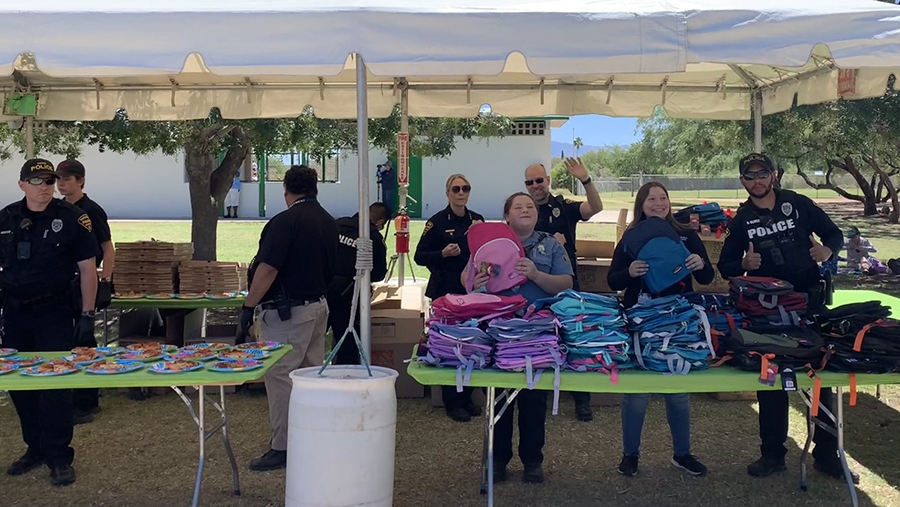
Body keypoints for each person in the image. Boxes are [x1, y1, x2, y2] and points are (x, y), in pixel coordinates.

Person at [717, 153, 857, 483]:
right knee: (771, 380)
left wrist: (827, 252)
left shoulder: (798, 204)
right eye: (749, 176)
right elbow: (726, 266)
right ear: (742, 181)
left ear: (774, 175)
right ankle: (772, 454)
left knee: (822, 377)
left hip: (810, 305)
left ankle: (827, 454)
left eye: (762, 173)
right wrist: (744, 265)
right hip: (768, 313)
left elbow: (834, 235)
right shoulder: (742, 220)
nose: (757, 181)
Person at [0, 158, 100, 486]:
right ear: (22, 185)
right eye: (37, 181)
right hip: (15, 313)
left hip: (55, 312)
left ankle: (58, 455)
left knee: (55, 386)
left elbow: (87, 268)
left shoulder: (70, 218)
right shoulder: (6, 218)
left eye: (49, 180)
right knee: (19, 384)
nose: (45, 186)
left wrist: (87, 315)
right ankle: (36, 447)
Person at [465, 192, 574, 484]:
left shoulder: (549, 245)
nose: (526, 210)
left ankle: (532, 461)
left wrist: (537, 275)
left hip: (537, 334)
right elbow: (469, 287)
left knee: (533, 399)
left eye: (530, 206)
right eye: (518, 207)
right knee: (499, 398)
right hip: (500, 332)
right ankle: (497, 460)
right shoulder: (488, 245)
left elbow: (566, 283)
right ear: (507, 216)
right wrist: (478, 285)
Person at [607, 182, 713, 477]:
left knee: (678, 391)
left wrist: (699, 262)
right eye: (651, 199)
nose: (658, 203)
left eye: (662, 198)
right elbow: (612, 281)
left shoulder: (686, 235)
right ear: (641, 204)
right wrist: (629, 273)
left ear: (669, 202)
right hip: (641, 320)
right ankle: (630, 455)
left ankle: (682, 454)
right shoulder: (632, 237)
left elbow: (707, 277)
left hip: (678, 321)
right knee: (637, 392)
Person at [239, 165, 338, 471]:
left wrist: (248, 305)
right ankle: (312, 438)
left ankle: (282, 446)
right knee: (310, 378)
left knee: (281, 378)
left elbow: (268, 268)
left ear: (287, 190)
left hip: (288, 311)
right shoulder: (328, 221)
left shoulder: (285, 221)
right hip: (317, 306)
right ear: (315, 187)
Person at [524, 158, 603, 422]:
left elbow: (595, 207)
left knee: (573, 337)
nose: (535, 186)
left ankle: (582, 398)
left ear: (548, 180)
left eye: (539, 180)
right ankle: (540, 395)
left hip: (565, 283)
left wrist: (585, 180)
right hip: (533, 288)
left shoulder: (563, 206)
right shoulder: (522, 211)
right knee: (537, 337)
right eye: (530, 182)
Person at [414, 174, 485, 422]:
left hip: (472, 291)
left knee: (472, 344)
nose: (461, 192)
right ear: (448, 193)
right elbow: (419, 257)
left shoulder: (477, 220)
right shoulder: (436, 222)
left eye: (466, 188)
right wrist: (442, 254)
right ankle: (452, 402)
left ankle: (467, 397)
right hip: (446, 291)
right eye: (456, 189)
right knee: (450, 348)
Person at [56, 158, 116, 425]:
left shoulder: (91, 210)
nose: (61, 184)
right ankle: (67, 395)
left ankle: (87, 401)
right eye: (58, 179)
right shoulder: (56, 209)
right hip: (62, 283)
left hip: (86, 281)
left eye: (67, 179)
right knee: (64, 339)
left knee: (84, 339)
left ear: (81, 181)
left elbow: (107, 248)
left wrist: (105, 280)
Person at [327, 202, 389, 364]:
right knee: (348, 343)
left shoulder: (338, 224)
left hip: (324, 289)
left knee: (314, 339)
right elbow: (379, 273)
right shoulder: (373, 236)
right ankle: (346, 378)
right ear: (380, 222)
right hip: (350, 295)